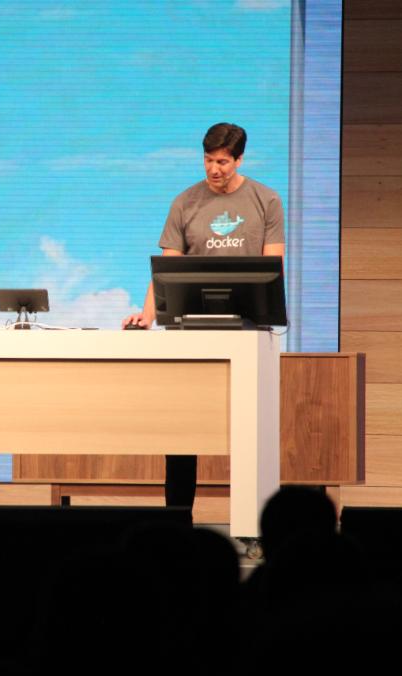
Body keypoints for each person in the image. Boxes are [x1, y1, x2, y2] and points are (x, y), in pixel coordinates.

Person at [122, 122, 285, 507]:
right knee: (181, 432)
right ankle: (178, 518)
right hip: (190, 335)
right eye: (208, 160)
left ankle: (253, 521)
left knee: (250, 433)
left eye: (223, 162)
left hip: (247, 335)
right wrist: (147, 315)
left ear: (239, 159)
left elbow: (272, 269)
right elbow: (166, 270)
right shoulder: (184, 202)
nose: (214, 169)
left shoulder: (266, 200)